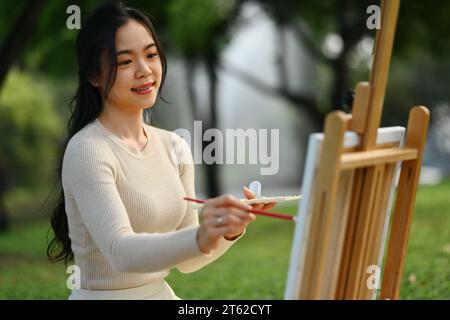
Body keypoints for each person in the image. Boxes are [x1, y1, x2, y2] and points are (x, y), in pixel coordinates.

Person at [46, 2, 275, 300]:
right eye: (125, 62)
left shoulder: (174, 146)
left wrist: (228, 230)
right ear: (94, 76)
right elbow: (121, 252)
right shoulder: (87, 150)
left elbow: (189, 261)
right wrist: (199, 235)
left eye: (151, 55)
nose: (144, 71)